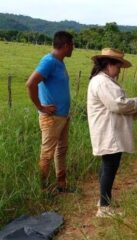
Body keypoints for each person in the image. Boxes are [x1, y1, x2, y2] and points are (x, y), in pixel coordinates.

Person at [87, 48, 137, 217]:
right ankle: (104, 208)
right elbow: (118, 104)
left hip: (109, 128)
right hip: (108, 130)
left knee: (108, 165)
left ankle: (103, 200)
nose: (120, 70)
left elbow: (117, 104)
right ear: (109, 64)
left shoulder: (104, 80)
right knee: (109, 166)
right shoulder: (102, 82)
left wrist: (135, 103)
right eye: (118, 65)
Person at [26, 31, 74, 193]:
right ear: (66, 45)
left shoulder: (60, 62)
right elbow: (31, 83)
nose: (73, 49)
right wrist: (40, 107)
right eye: (72, 45)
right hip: (52, 117)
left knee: (61, 150)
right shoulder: (49, 61)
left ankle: (61, 185)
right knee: (47, 153)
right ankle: (42, 190)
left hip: (62, 116)